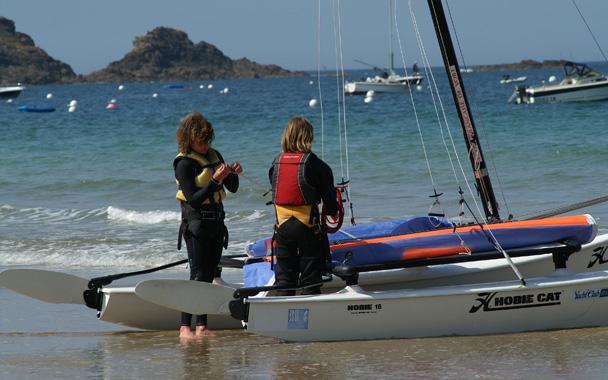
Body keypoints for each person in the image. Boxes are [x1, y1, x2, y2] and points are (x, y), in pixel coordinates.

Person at [173, 111, 242, 339]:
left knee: (209, 275)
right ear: (189, 140)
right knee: (197, 276)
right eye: (199, 142)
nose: (204, 146)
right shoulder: (184, 163)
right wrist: (214, 181)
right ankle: (185, 327)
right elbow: (193, 198)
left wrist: (233, 174)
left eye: (207, 141)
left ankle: (202, 326)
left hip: (216, 223)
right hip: (196, 224)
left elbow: (231, 188)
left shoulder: (215, 154)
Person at [269, 116, 339, 296]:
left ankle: (280, 314)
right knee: (310, 278)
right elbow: (331, 206)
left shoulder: (275, 163)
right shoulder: (317, 165)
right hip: (308, 229)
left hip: (282, 228)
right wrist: (333, 211)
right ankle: (309, 312)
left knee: (285, 279)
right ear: (308, 137)